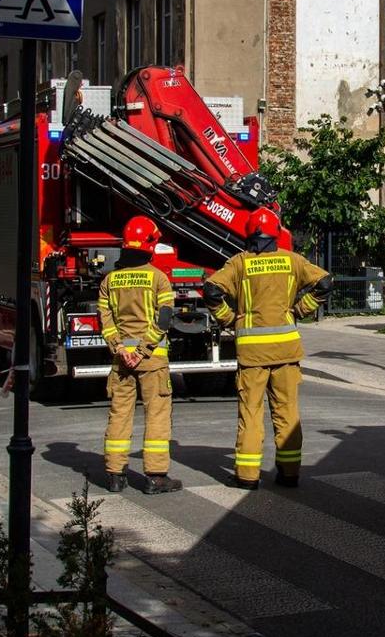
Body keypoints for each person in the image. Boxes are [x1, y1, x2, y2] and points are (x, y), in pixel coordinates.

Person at [205, 209, 331, 489]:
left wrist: (229, 319)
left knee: (250, 414)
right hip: (286, 350)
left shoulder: (240, 263)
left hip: (251, 354)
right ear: (276, 232)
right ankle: (289, 474)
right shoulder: (292, 261)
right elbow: (325, 282)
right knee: (287, 412)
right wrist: (300, 309)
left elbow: (211, 290)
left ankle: (248, 477)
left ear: (250, 232)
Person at [98, 216, 182, 494]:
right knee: (156, 415)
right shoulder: (159, 278)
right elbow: (165, 319)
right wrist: (143, 350)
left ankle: (114, 475)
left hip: (121, 362)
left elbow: (105, 319)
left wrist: (120, 349)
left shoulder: (109, 281)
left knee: (119, 414)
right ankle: (156, 478)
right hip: (152, 360)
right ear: (151, 243)